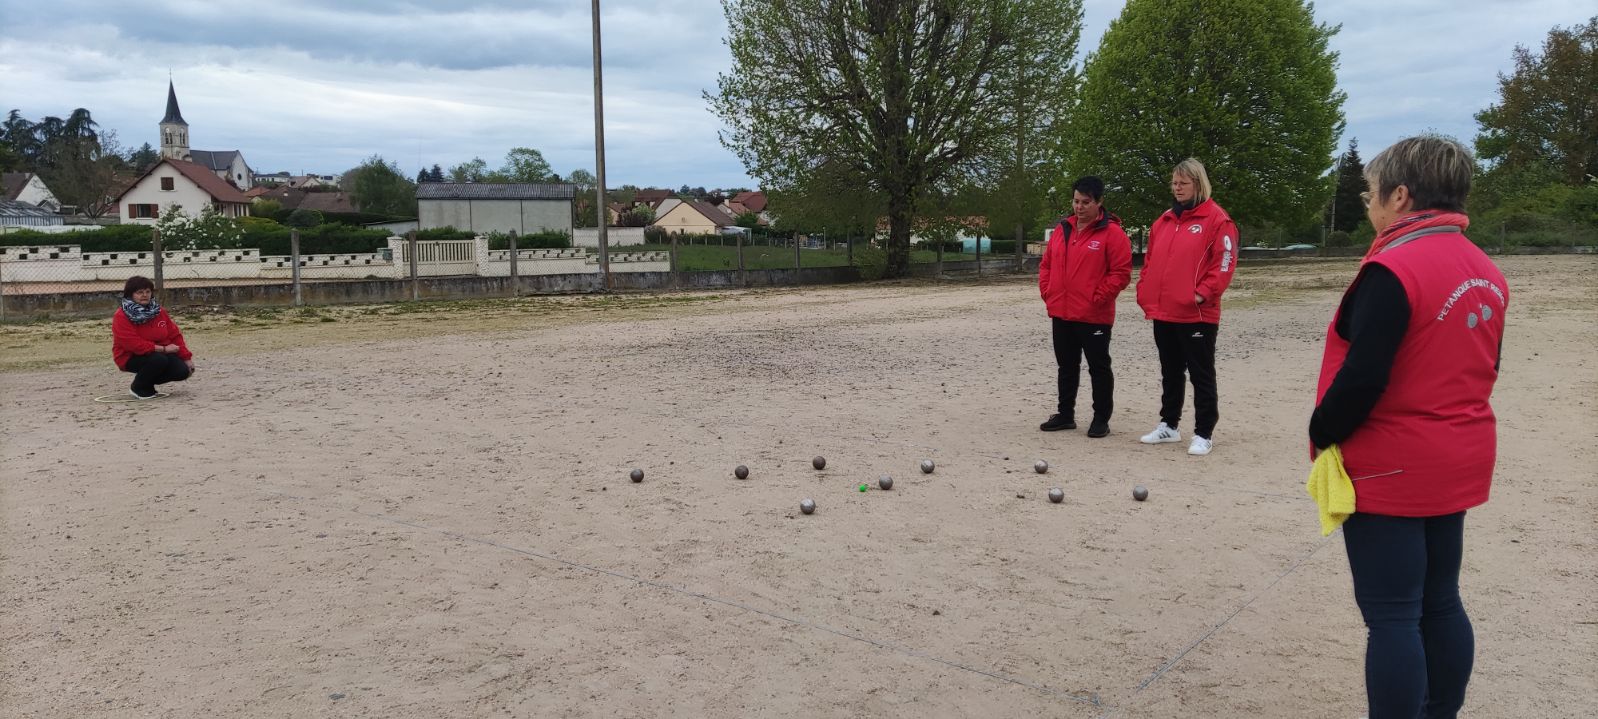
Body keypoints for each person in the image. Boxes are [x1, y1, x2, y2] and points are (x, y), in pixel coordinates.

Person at [1309, 135, 1506, 719]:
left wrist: (1322, 430)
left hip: (1394, 462)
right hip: (1460, 452)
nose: (1370, 207)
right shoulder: (1485, 268)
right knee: (1440, 601)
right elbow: (1488, 363)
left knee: (1393, 614)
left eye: (1372, 195)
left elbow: (1365, 376)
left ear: (1401, 196)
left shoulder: (1394, 267)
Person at [1135, 158, 1237, 456]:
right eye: (1174, 183)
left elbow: (1225, 262)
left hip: (1197, 314)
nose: (1177, 188)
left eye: (1184, 183)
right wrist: (1145, 291)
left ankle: (1204, 432)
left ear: (1198, 184)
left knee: (1201, 373)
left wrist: (1203, 294)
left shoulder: (1217, 220)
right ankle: (1169, 424)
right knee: (1170, 370)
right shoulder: (1163, 220)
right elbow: (1151, 261)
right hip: (1164, 311)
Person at [1037, 176, 1132, 437]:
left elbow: (1121, 273)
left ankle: (1101, 418)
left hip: (1094, 315)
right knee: (1066, 366)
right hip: (1062, 310)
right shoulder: (1062, 229)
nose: (1079, 207)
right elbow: (1046, 265)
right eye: (1076, 201)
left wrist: (1098, 297)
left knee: (1098, 367)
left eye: (1086, 202)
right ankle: (1065, 414)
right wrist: (1048, 292)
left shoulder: (1113, 234)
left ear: (1099, 202)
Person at [112, 276, 194, 399]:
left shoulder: (159, 311)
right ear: (130, 295)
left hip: (160, 354)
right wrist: (163, 349)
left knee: (182, 371)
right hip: (130, 356)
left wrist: (186, 358)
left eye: (147, 291)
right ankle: (138, 388)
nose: (144, 295)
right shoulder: (121, 315)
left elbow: (175, 335)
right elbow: (132, 343)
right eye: (139, 292)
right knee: (158, 360)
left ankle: (146, 383)